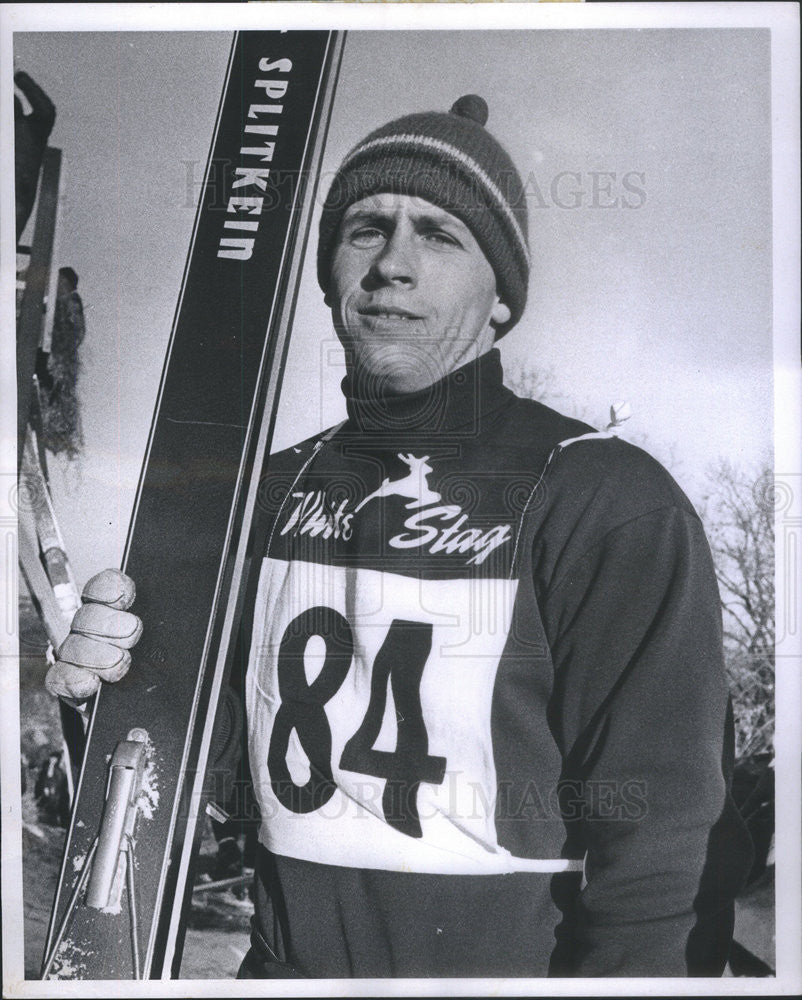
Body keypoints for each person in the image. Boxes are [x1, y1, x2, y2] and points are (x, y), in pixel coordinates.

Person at [46, 95, 751, 978]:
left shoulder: (600, 497)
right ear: (329, 275)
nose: (393, 266)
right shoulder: (263, 495)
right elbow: (207, 790)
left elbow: (663, 844)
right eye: (366, 229)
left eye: (441, 235)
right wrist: (115, 689)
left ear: (501, 300)